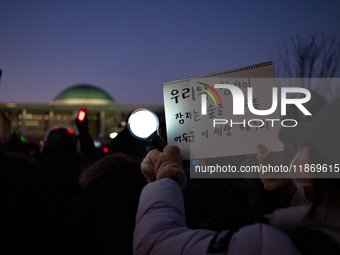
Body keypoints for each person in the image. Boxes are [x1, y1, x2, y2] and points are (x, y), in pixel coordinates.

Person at [133, 97, 340, 255]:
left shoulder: (268, 244)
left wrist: (166, 176)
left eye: (305, 145)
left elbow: (154, 246)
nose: (298, 152)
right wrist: (293, 187)